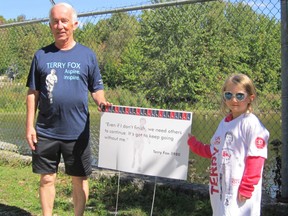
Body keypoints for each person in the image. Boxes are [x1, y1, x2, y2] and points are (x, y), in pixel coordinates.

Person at [25, 2, 111, 216]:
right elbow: (32, 94)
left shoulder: (87, 55)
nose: (60, 25)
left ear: (75, 24)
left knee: (79, 179)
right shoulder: (41, 56)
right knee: (46, 179)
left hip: (77, 131)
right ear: (50, 25)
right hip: (46, 130)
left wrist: (102, 102)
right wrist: (29, 127)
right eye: (55, 21)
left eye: (64, 21)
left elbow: (97, 89)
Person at [187, 74, 269, 216]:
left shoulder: (251, 123)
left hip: (240, 192)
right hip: (221, 188)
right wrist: (193, 144)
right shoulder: (224, 123)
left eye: (240, 95)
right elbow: (213, 150)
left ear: (251, 98)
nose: (234, 100)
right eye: (229, 95)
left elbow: (256, 157)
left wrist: (247, 187)